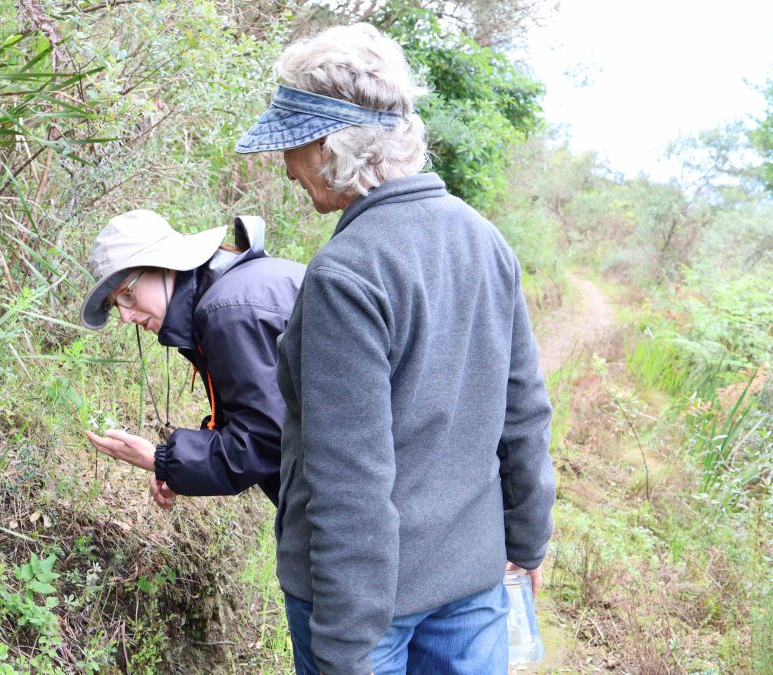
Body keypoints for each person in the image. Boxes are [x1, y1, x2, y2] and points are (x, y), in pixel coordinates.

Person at [234, 23, 556, 675]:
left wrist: (347, 650)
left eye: (292, 145)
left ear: (330, 147)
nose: (286, 167)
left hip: (367, 614)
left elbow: (350, 482)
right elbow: (523, 416)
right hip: (472, 583)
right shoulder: (483, 240)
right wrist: (526, 543)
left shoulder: (346, 274)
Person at [80, 209, 304, 509]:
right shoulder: (229, 291)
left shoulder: (229, 312)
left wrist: (160, 460)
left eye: (128, 294)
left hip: (349, 491)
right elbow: (257, 417)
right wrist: (175, 469)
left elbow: (265, 440)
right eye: (115, 305)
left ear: (165, 266)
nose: (124, 316)